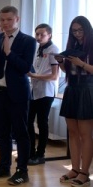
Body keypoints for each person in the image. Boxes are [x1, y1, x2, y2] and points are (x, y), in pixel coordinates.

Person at [0, 6, 36, 185]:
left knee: (21, 133)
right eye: (2, 20)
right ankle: (4, 166)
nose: (5, 23)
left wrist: (9, 53)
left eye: (9, 19)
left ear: (17, 19)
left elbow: (25, 68)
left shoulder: (28, 41)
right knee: (2, 133)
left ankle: (22, 171)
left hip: (18, 93)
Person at [57, 16, 93, 187]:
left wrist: (81, 63)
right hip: (72, 90)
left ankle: (85, 173)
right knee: (72, 132)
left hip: (87, 90)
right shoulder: (73, 46)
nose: (77, 34)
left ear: (87, 29)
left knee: (85, 134)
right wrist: (60, 62)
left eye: (80, 30)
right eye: (74, 31)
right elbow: (68, 71)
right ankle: (75, 168)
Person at [27, 24, 59, 165]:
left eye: (42, 35)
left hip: (46, 92)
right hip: (34, 90)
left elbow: (54, 76)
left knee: (42, 123)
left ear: (49, 35)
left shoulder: (53, 50)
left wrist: (34, 76)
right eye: (37, 34)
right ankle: (30, 152)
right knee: (28, 121)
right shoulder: (37, 48)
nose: (39, 37)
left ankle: (40, 154)